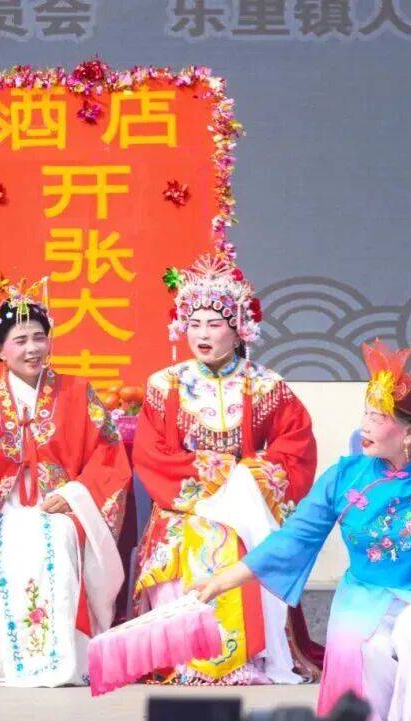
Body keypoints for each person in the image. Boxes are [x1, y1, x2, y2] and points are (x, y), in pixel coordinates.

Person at [193, 340, 411, 721]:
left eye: (377, 417)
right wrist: (224, 579)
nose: (364, 424)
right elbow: (294, 538)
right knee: (363, 645)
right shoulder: (345, 476)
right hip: (363, 600)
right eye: (365, 412)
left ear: (409, 433)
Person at [0, 274, 132, 687]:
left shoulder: (78, 392)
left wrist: (75, 495)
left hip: (63, 508)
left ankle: (69, 655)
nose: (33, 348)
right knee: (5, 545)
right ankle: (8, 658)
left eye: (39, 337)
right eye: (20, 341)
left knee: (55, 537)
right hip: (2, 512)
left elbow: (109, 455)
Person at [132, 250, 322, 685]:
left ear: (238, 329)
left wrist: (254, 475)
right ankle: (186, 657)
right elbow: (151, 453)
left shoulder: (266, 384)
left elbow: (295, 444)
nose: (202, 334)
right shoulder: (165, 385)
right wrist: (203, 475)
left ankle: (251, 654)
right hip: (185, 505)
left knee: (247, 538)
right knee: (190, 539)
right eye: (194, 323)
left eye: (214, 324)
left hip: (247, 500)